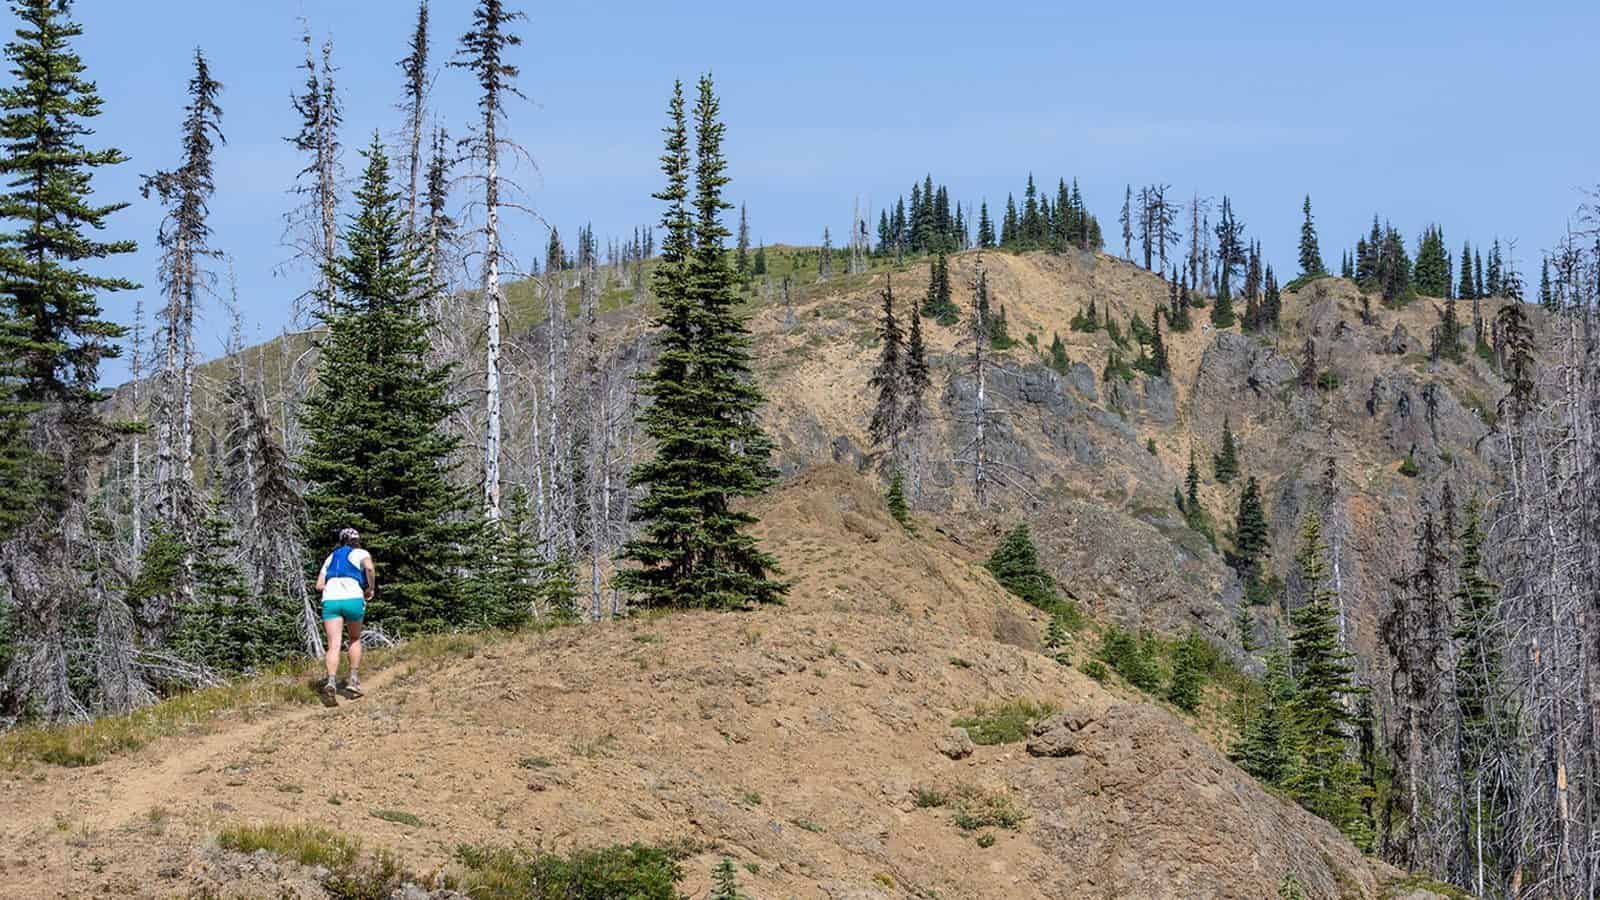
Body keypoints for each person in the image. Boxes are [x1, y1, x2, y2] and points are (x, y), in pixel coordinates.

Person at [315, 527, 375, 701]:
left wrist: (334, 587)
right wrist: (370, 588)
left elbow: (319, 585)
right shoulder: (360, 553)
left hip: (331, 600)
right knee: (354, 638)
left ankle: (331, 681)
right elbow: (369, 569)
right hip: (353, 598)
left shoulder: (331, 557)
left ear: (341, 541)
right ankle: (353, 681)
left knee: (334, 644)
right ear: (357, 540)